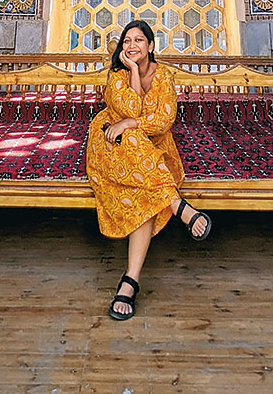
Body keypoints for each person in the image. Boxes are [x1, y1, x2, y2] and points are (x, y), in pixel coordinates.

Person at [85, 18, 212, 320]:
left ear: (151, 46)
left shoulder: (164, 74)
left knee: (145, 191)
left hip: (152, 151)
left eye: (138, 40)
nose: (131, 46)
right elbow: (129, 110)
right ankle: (179, 206)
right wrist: (131, 72)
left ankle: (130, 281)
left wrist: (130, 123)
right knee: (129, 138)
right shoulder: (116, 75)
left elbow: (163, 120)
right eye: (126, 41)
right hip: (110, 143)